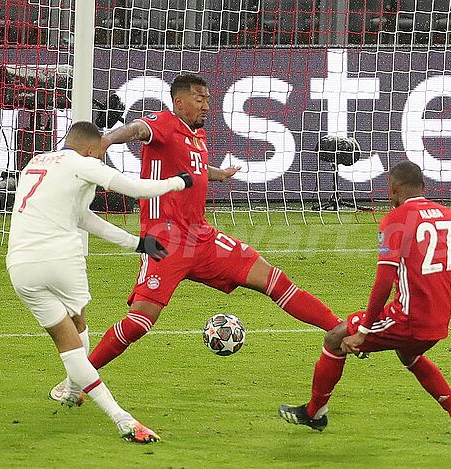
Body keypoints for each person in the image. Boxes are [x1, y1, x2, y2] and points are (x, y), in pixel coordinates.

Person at [49, 74, 343, 409]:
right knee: (139, 323)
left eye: (207, 99)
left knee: (273, 279)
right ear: (179, 101)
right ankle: (78, 379)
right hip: (165, 243)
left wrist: (219, 174)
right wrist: (106, 140)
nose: (206, 105)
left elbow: (196, 167)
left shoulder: (196, 135)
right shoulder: (164, 122)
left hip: (201, 237)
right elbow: (136, 129)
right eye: (199, 98)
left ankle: (340, 329)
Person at [279, 161, 451, 437]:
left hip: (408, 319)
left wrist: (364, 330)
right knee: (409, 354)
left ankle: (314, 412)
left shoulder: (395, 221)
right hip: (439, 322)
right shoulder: (448, 217)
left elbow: (383, 282)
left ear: (393, 189)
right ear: (423, 186)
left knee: (335, 338)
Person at [6, 121, 192, 443]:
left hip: (20, 265)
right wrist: (178, 182)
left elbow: (82, 217)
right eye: (102, 152)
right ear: (92, 149)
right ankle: (121, 418)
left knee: (68, 344)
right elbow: (135, 189)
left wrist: (137, 244)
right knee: (79, 330)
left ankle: (72, 391)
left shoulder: (35, 162)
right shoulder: (83, 163)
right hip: (60, 258)